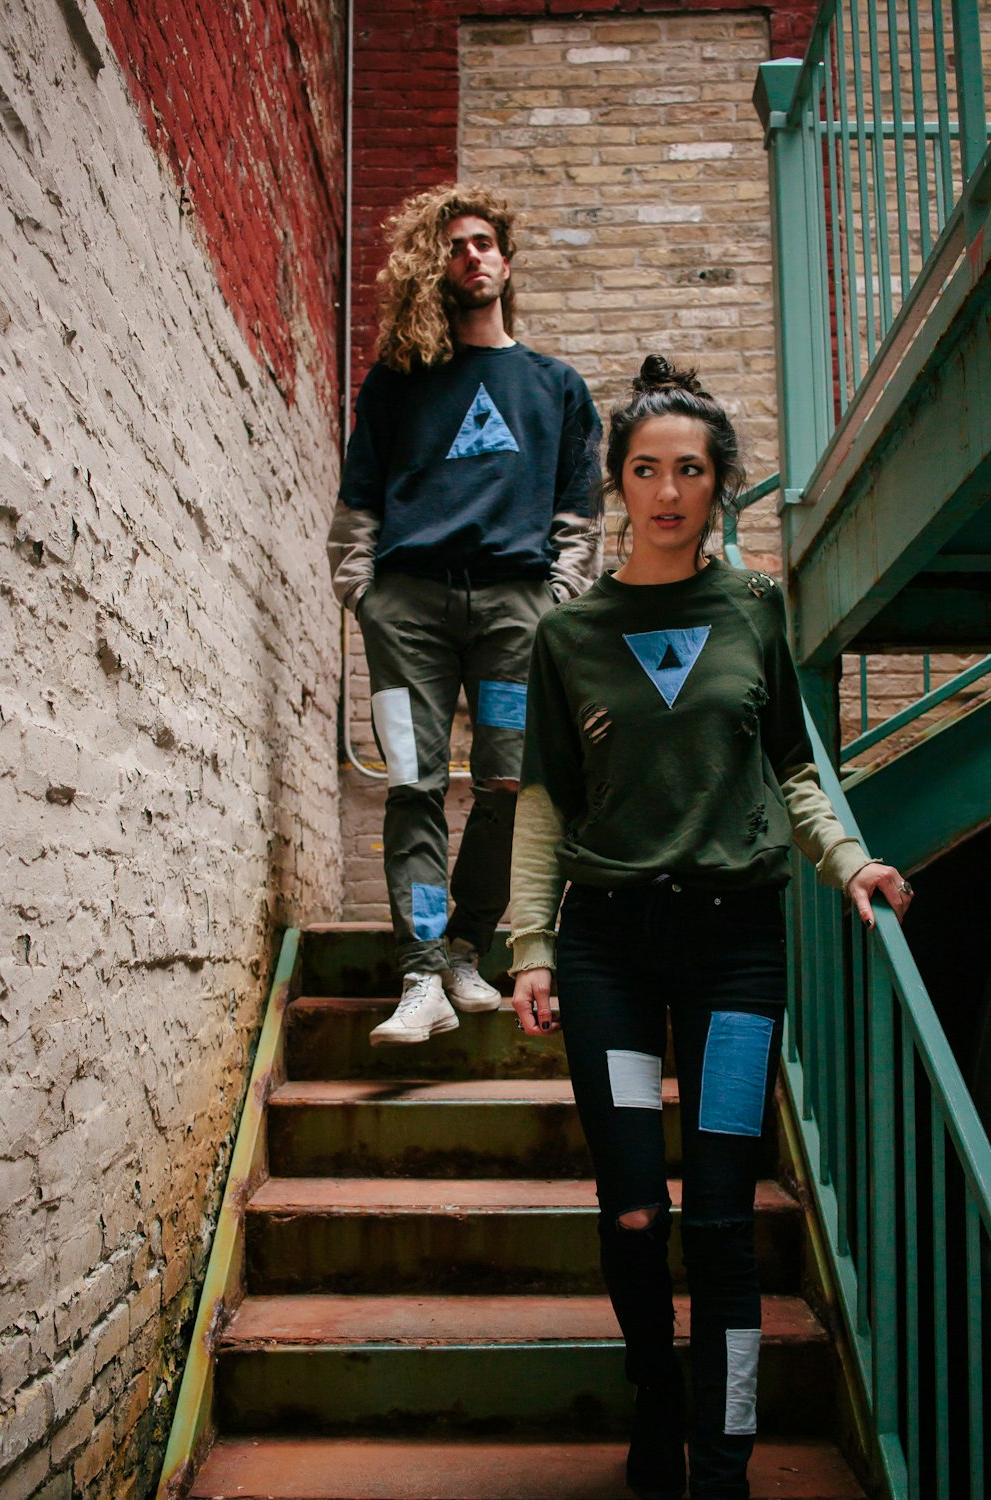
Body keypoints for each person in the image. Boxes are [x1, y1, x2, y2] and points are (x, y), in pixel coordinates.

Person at [508, 355, 914, 1500]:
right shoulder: (569, 634)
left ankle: (722, 1451)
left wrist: (849, 862)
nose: (668, 489)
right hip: (610, 957)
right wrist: (529, 944)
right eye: (645, 469)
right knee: (636, 1211)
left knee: (725, 1223)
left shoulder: (752, 610)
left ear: (718, 485)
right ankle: (654, 1397)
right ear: (619, 485)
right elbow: (543, 803)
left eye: (689, 469)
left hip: (736, 950)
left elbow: (790, 767)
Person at [328, 183, 602, 1047]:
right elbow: (358, 499)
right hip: (407, 607)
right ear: (431, 267)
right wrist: (361, 592)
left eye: (483, 242)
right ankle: (417, 975)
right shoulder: (399, 381)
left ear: (506, 260)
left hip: (517, 610)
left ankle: (462, 951)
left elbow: (580, 513)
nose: (472, 255)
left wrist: (557, 603)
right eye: (453, 246)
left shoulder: (555, 388)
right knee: (411, 782)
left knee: (512, 786)